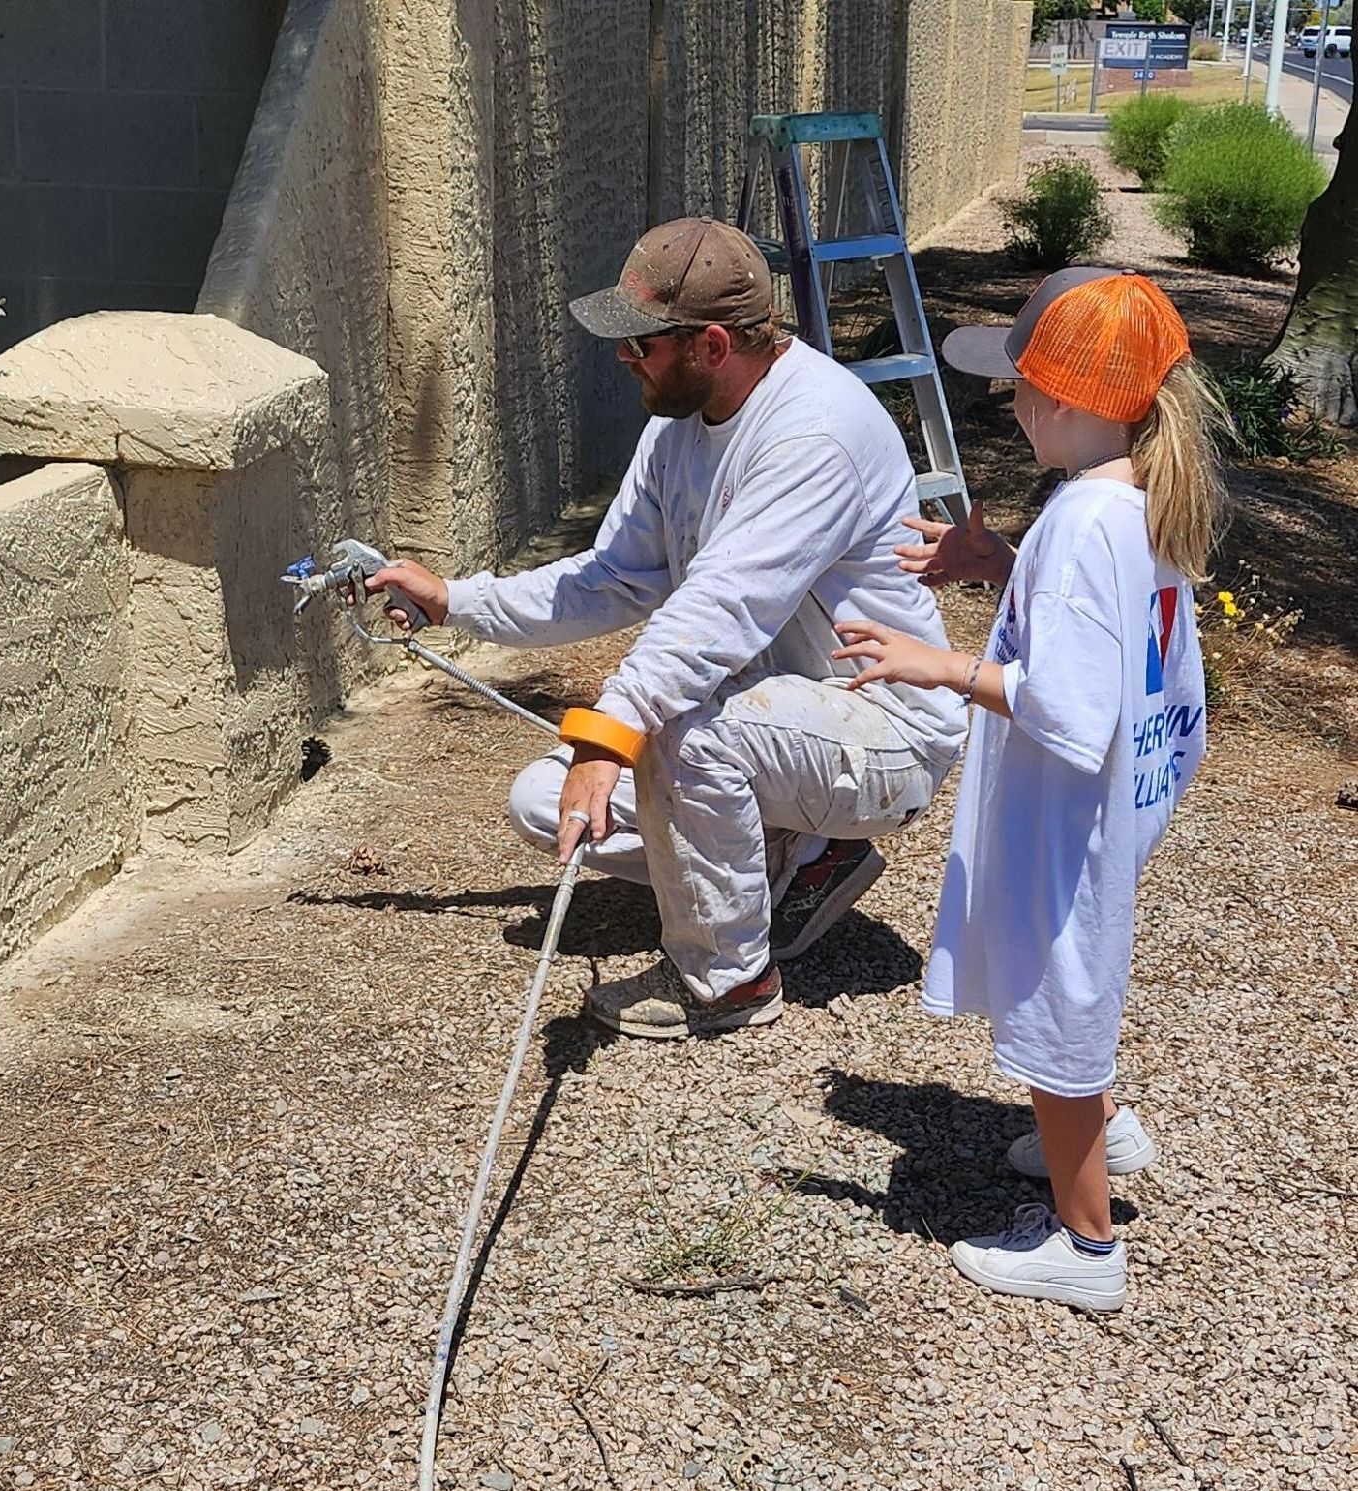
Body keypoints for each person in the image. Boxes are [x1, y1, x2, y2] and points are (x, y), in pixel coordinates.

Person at [366, 216, 967, 1039]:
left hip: (883, 729)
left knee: (678, 733)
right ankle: (805, 857)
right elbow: (612, 577)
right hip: (773, 717)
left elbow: (717, 610)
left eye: (641, 342)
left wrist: (612, 732)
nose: (624, 357)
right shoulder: (675, 426)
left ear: (713, 345)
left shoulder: (815, 432)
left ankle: (728, 981)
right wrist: (455, 601)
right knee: (549, 805)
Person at [833, 267, 1222, 1311]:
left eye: (1015, 387)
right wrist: (998, 563)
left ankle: (1085, 1249)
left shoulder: (1083, 524)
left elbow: (1070, 704)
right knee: (1074, 981)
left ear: (1063, 401)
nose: (1007, 405)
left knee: (1057, 1002)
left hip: (1067, 815)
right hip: (1109, 807)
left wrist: (941, 667)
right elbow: (1114, 653)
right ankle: (1104, 1131)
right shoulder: (1133, 495)